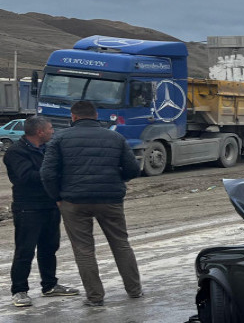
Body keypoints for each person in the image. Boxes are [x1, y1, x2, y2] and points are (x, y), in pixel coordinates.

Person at [40, 100, 142, 307]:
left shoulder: (60, 138)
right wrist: (115, 179)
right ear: (96, 116)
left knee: (84, 250)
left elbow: (47, 173)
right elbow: (133, 169)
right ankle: (134, 290)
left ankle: (95, 297)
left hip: (73, 200)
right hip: (110, 199)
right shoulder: (115, 137)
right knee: (121, 244)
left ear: (73, 117)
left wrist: (57, 197)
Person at [4, 116, 79, 308]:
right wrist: (54, 173)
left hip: (50, 204)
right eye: (50, 128)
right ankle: (19, 290)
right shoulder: (15, 152)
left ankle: (50, 285)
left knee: (49, 247)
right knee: (25, 250)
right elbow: (26, 177)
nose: (53, 131)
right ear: (40, 132)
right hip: (28, 207)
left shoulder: (49, 149)